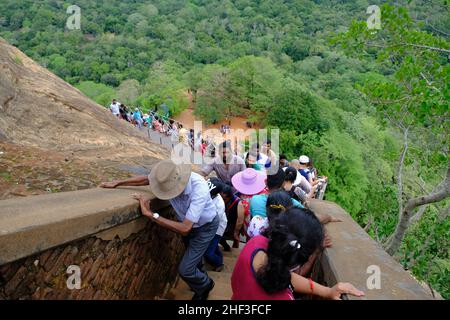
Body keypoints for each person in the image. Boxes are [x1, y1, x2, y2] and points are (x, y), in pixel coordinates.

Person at [100, 159, 219, 300]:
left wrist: (152, 215)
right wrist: (117, 183)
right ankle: (199, 278)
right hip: (189, 224)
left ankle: (206, 285)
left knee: (185, 269)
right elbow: (146, 179)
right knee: (193, 259)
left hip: (205, 227)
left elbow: (185, 228)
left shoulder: (199, 188)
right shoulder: (168, 178)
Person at [231, 208, 365, 300]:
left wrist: (327, 291)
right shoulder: (283, 297)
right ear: (302, 259)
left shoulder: (255, 244)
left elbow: (286, 275)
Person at [231, 168, 267, 241]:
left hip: (251, 228)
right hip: (265, 226)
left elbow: (240, 220)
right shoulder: (266, 193)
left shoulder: (243, 201)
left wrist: (236, 232)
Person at [204, 178, 228, 272]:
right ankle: (219, 257)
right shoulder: (208, 192)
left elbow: (212, 221)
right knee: (213, 246)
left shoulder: (219, 205)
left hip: (217, 228)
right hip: (211, 227)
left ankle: (219, 263)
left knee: (208, 253)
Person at [219, 183, 243, 251]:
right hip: (224, 222)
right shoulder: (219, 199)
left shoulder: (238, 203)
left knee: (235, 238)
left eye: (224, 199)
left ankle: (235, 251)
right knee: (219, 236)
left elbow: (240, 221)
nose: (222, 200)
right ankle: (227, 247)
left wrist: (236, 232)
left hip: (234, 224)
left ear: (230, 197)